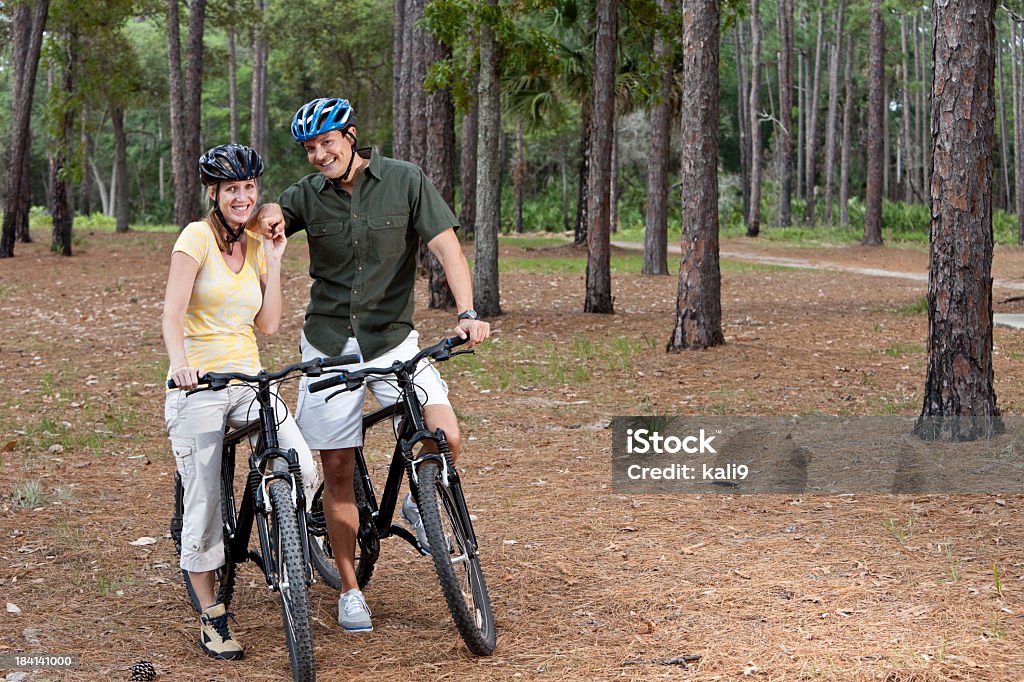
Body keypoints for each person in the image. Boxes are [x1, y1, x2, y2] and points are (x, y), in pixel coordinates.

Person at [259, 97, 490, 633]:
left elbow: (447, 249)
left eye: (327, 143)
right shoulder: (305, 195)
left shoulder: (405, 180)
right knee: (337, 468)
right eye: (309, 148)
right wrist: (270, 216)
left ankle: (419, 501)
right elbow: (273, 214)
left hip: (392, 339)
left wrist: (468, 311)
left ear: (351, 136)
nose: (319, 155)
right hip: (328, 341)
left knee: (444, 433)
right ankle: (349, 588)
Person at [162, 143, 317, 660]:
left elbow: (268, 325)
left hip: (250, 378)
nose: (243, 197)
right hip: (200, 382)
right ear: (214, 193)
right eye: (232, 189)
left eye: (249, 188)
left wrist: (274, 260)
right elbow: (171, 313)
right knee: (205, 500)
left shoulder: (255, 243)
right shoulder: (195, 239)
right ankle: (211, 613)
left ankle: (286, 536)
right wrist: (182, 364)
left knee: (304, 466)